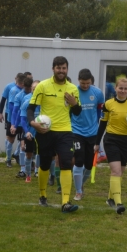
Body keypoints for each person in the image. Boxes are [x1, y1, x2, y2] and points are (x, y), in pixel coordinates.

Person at [27, 56, 82, 213]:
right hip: (45, 131)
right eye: (58, 68)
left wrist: (74, 103)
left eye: (64, 68)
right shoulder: (43, 86)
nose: (61, 70)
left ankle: (65, 202)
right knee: (45, 164)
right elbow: (30, 108)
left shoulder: (72, 88)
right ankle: (42, 195)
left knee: (66, 163)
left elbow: (77, 112)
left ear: (67, 69)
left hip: (65, 131)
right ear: (53, 69)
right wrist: (33, 123)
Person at [94, 78, 127, 214]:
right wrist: (97, 142)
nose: (123, 91)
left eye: (126, 89)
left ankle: (110, 198)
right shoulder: (108, 104)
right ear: (116, 88)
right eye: (121, 88)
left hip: (126, 141)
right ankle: (119, 203)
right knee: (116, 171)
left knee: (120, 172)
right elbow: (102, 124)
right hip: (111, 139)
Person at [71, 69, 104, 201]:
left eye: (87, 83)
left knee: (89, 166)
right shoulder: (73, 92)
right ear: (78, 80)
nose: (85, 85)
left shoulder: (98, 93)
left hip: (92, 133)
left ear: (91, 81)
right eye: (83, 83)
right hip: (76, 131)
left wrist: (95, 126)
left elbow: (99, 112)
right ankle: (78, 191)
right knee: (79, 161)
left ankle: (81, 185)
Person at [5, 73, 26, 167]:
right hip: (12, 119)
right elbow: (11, 106)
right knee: (11, 139)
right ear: (21, 83)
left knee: (22, 139)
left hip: (22, 120)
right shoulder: (14, 90)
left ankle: (17, 155)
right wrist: (13, 123)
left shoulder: (24, 91)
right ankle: (8, 159)